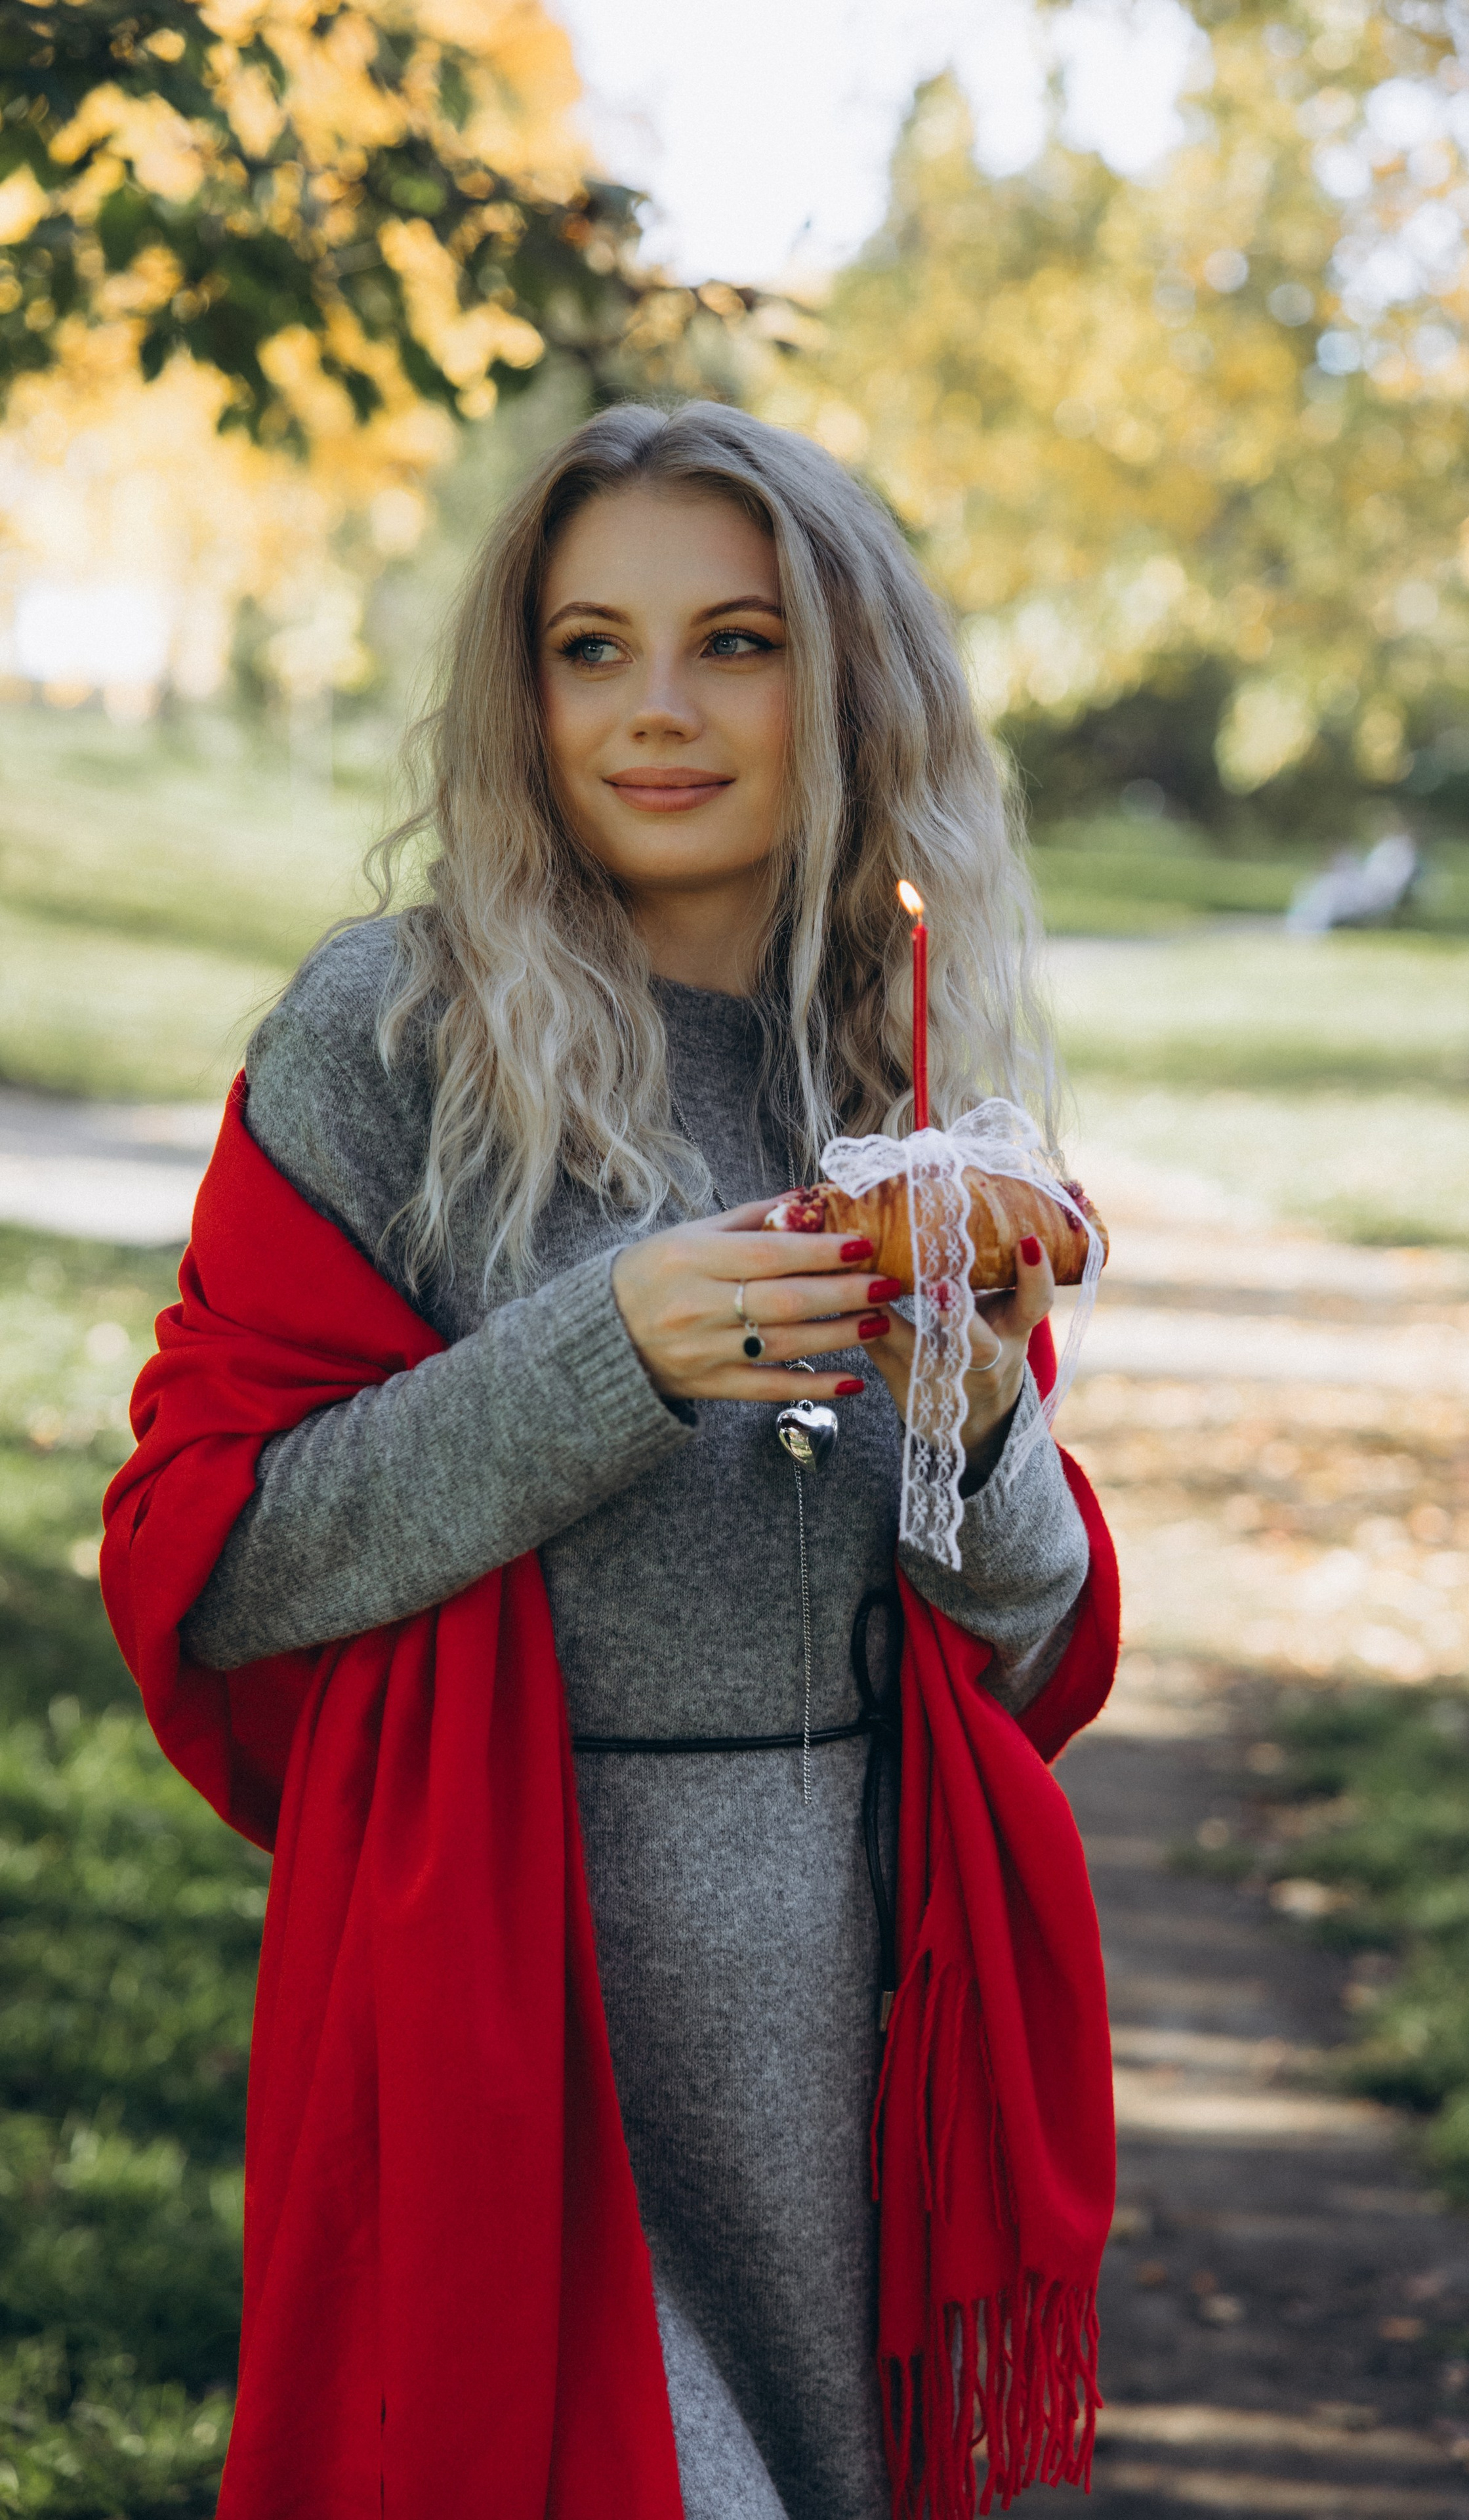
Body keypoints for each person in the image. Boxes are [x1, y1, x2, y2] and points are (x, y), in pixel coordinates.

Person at [105, 402, 1117, 2520]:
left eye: (732, 641)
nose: (656, 709)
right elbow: (213, 1555)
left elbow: (1022, 1649)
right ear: (522, 684)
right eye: (591, 646)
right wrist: (609, 1353)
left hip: (844, 2019)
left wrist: (983, 1407)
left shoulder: (901, 1060)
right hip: (503, 1992)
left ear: (844, 680)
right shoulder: (389, 1037)